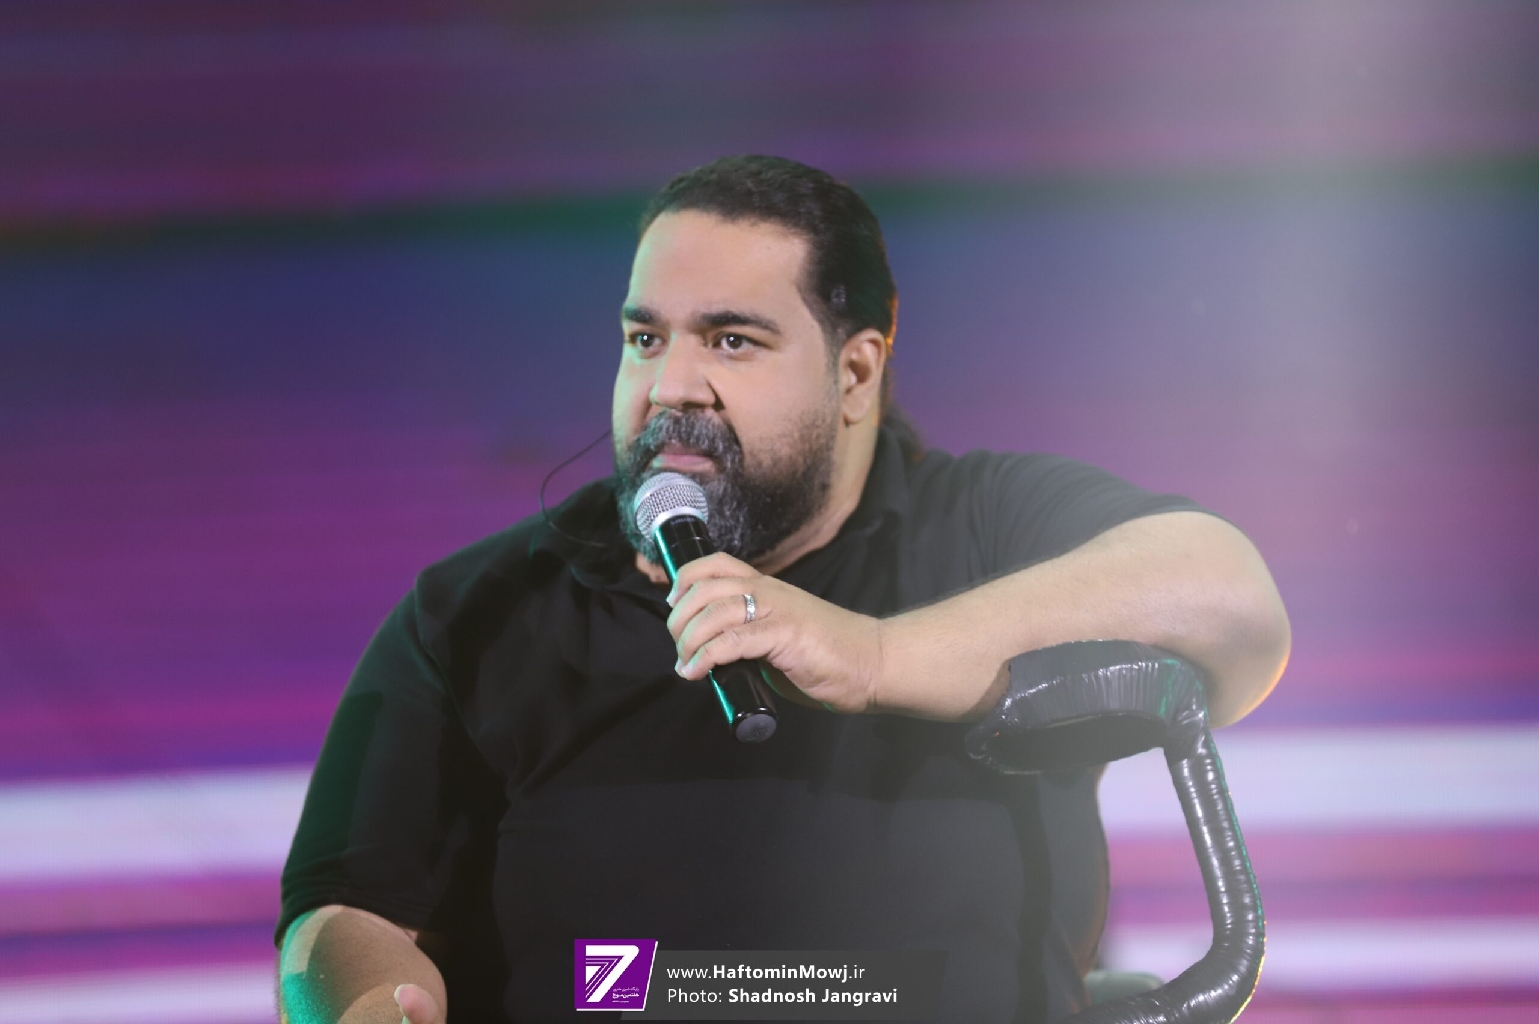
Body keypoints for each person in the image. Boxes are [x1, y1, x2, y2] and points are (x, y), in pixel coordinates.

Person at [274, 155, 1290, 1024]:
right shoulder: (478, 610)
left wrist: (876, 655)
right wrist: (367, 1001)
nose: (672, 386)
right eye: (645, 338)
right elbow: (342, 911)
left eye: (731, 340)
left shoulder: (981, 526)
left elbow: (1229, 598)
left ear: (855, 375)